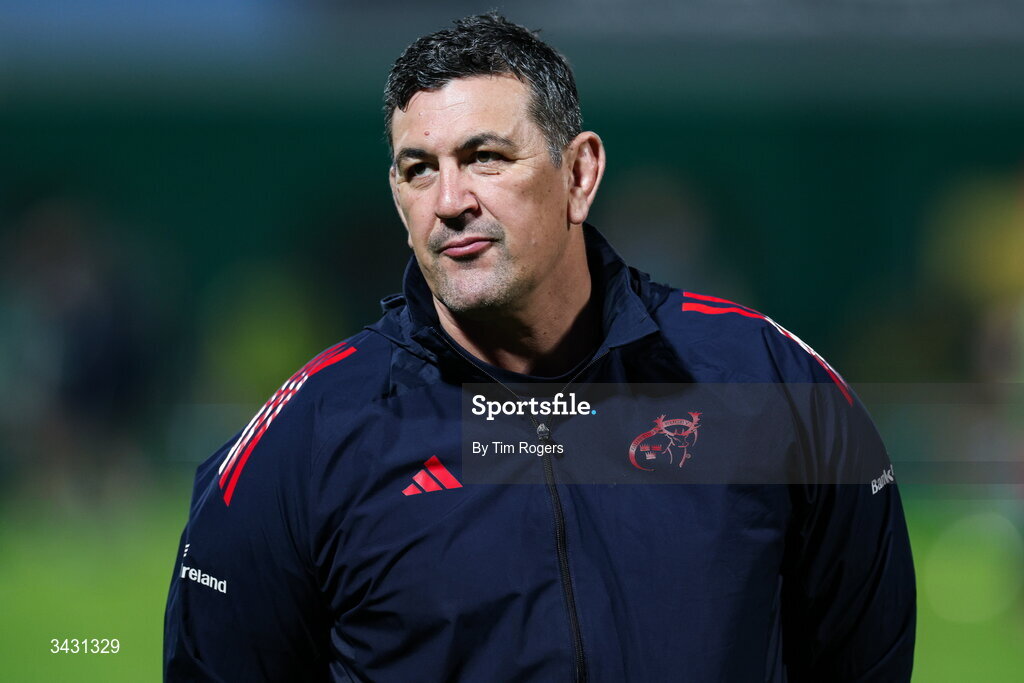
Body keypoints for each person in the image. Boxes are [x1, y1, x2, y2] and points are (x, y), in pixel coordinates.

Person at [164, 13, 915, 682]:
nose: (450, 200)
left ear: (579, 174)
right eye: (418, 169)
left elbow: (863, 651)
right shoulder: (307, 436)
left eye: (485, 156)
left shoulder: (770, 385)